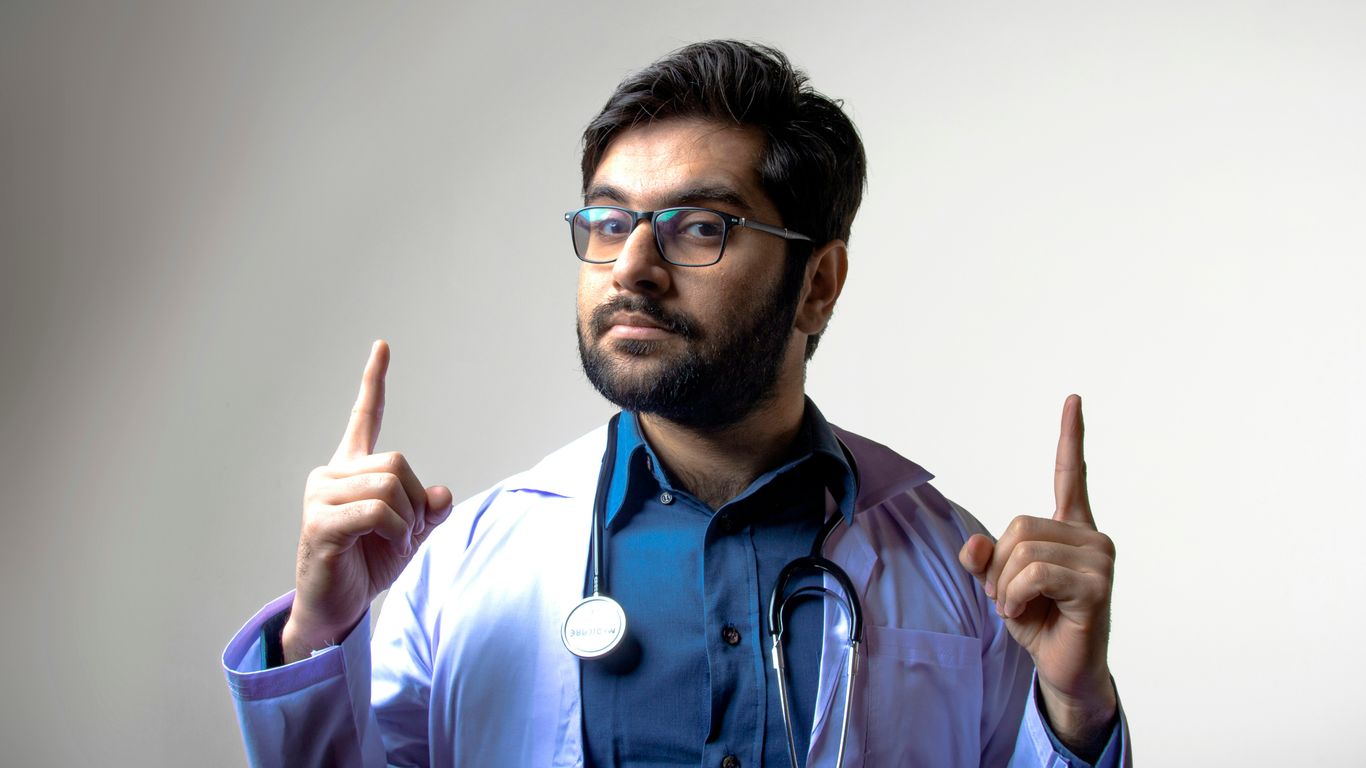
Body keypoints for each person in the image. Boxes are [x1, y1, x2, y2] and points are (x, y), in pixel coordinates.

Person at [223, 40, 1130, 767]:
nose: (631, 267)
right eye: (609, 221)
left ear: (818, 284)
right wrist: (318, 635)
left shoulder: (959, 572)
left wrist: (1077, 710)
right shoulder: (464, 564)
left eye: (699, 227)